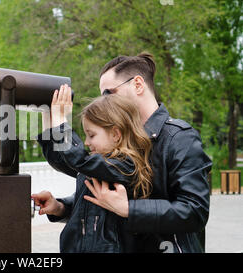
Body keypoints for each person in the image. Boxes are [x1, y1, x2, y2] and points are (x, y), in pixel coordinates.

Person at [33, 52, 212, 253]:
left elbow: (194, 211)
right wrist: (61, 208)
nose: (105, 101)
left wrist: (128, 210)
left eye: (109, 93)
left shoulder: (179, 138)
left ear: (137, 84)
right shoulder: (114, 138)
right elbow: (95, 185)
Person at [32, 88, 153, 253]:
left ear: (115, 134)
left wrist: (61, 119)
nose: (86, 142)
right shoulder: (96, 166)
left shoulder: (125, 165)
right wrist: (48, 115)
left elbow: (78, 159)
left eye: (91, 135)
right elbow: (59, 159)